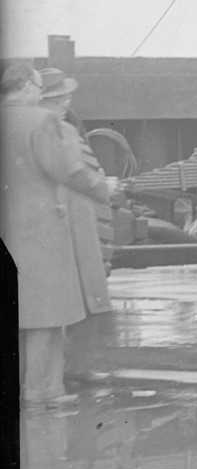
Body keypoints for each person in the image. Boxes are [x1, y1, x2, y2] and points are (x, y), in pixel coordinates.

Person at [2, 62, 121, 408]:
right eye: (37, 86)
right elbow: (68, 170)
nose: (39, 93)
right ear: (25, 86)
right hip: (38, 232)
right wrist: (103, 188)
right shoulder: (41, 121)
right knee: (46, 315)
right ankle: (44, 392)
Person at [38, 68, 116, 384]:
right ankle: (70, 373)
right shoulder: (61, 133)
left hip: (64, 227)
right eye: (62, 96)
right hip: (71, 228)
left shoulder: (44, 130)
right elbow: (76, 173)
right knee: (78, 298)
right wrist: (104, 188)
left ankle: (61, 373)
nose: (67, 101)